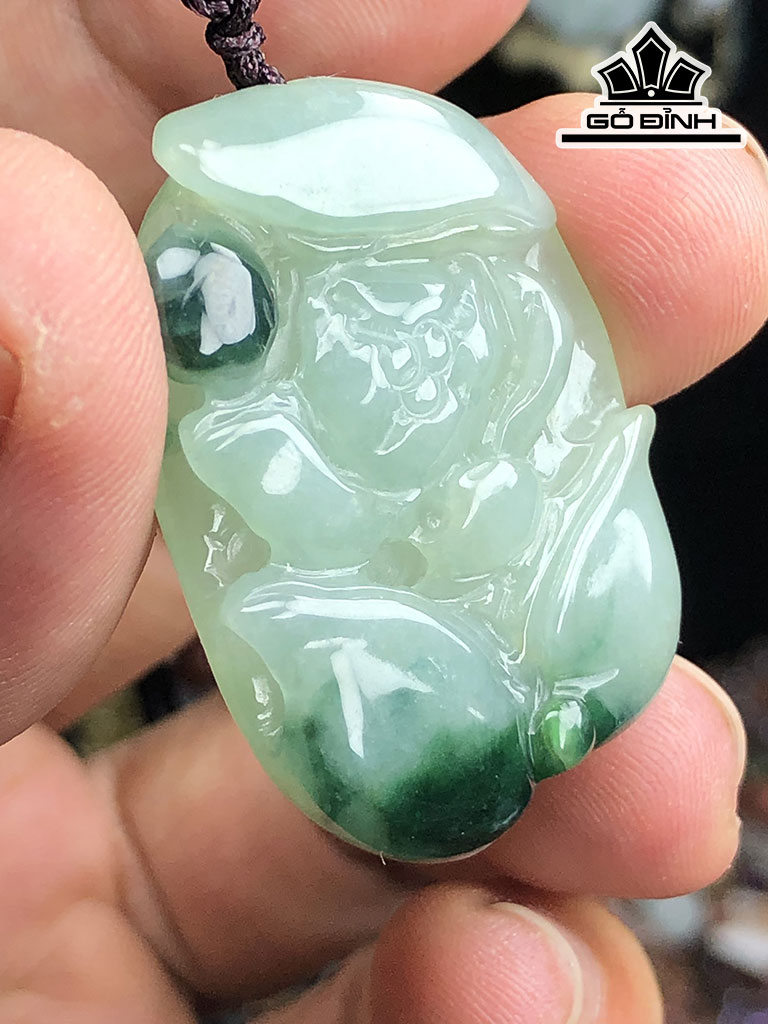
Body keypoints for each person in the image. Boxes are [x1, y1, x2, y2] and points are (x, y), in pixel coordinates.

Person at [0, 2, 763, 1021]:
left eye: (438, 316)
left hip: (571, 585)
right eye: (360, 332)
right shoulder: (272, 449)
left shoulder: (522, 348)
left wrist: (503, 493)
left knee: (599, 639)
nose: (410, 357)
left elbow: (545, 369)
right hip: (390, 687)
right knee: (428, 751)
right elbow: (277, 494)